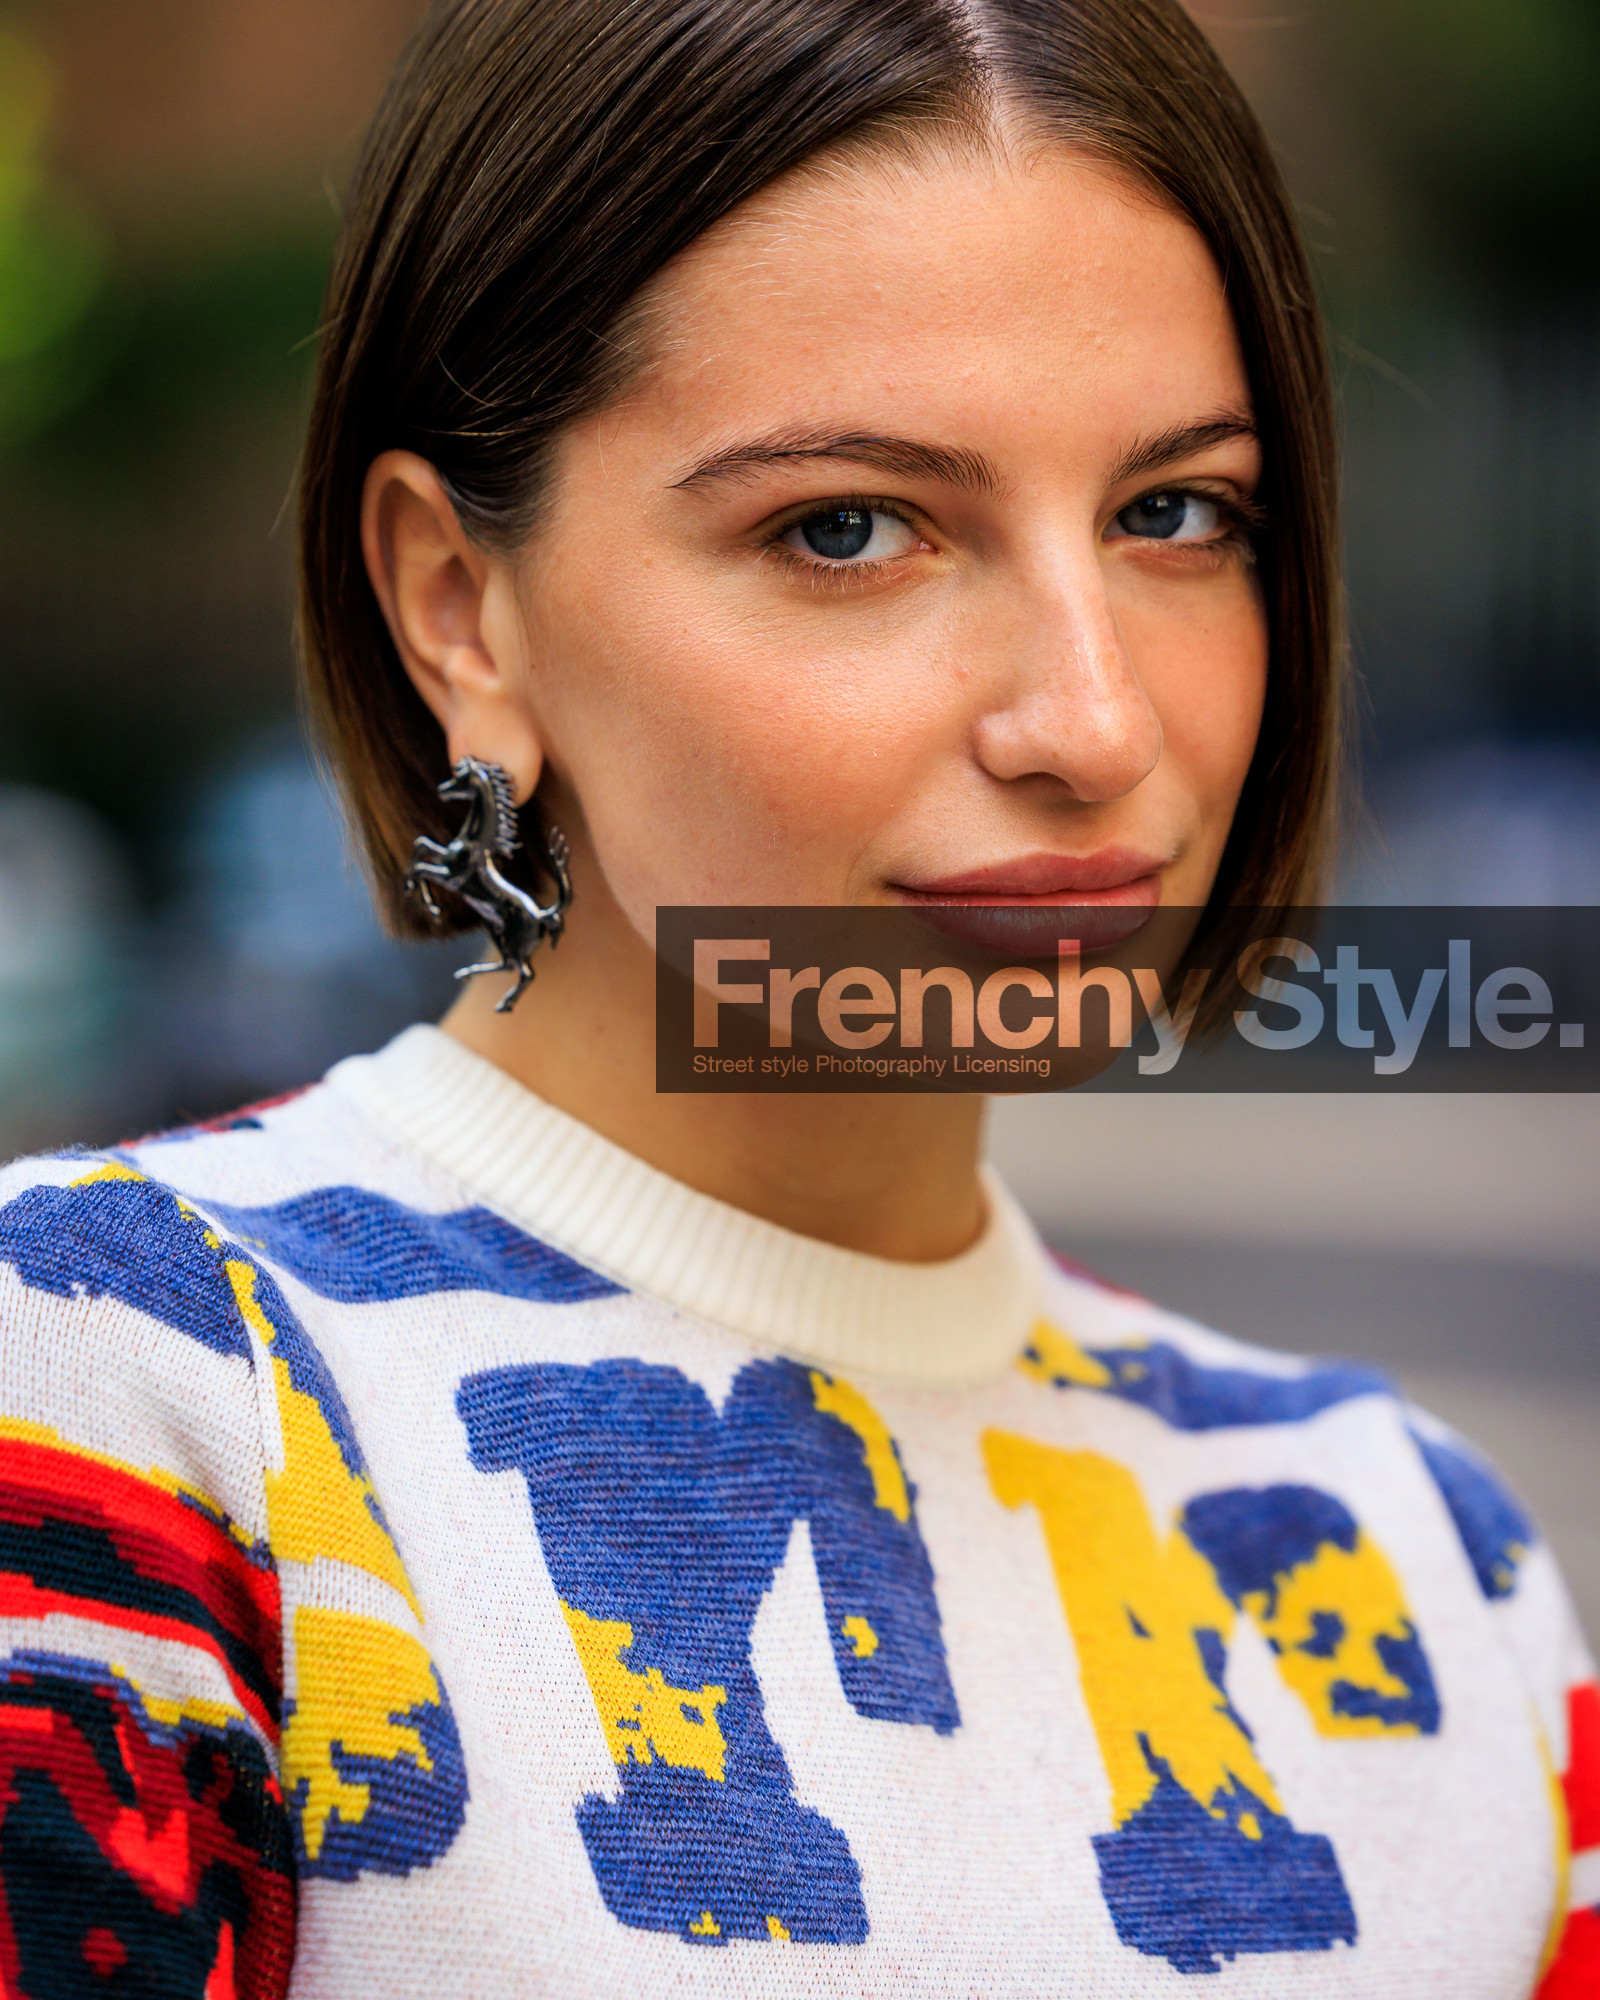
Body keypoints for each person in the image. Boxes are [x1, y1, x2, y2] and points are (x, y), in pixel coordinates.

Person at [0, 0, 1593, 1992]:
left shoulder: (1427, 1572)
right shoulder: (123, 1408)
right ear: (455, 604)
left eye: (1174, 512)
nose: (1090, 721)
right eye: (848, 529)